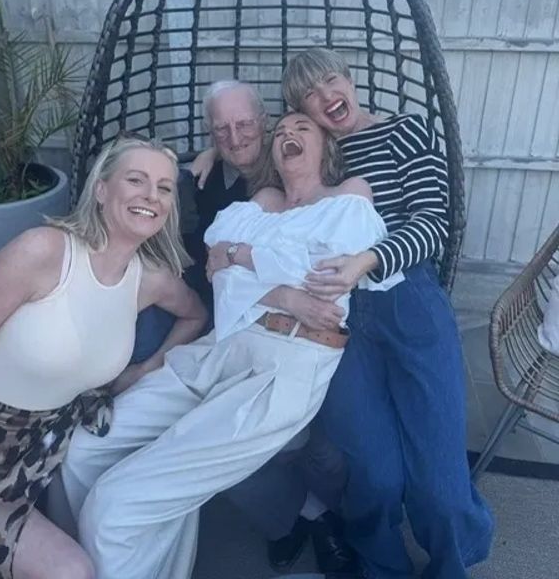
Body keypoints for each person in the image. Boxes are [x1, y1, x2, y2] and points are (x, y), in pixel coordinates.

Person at [61, 111, 404, 579]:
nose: (288, 134)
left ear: (326, 146)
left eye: (302, 129)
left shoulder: (349, 195)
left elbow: (323, 275)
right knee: (84, 450)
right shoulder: (263, 198)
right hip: (223, 343)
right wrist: (280, 291)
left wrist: (242, 258)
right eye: (281, 131)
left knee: (115, 505)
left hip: (289, 362)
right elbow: (217, 272)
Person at [280, 48, 494, 579]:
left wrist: (368, 260)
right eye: (310, 92)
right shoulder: (320, 152)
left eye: (331, 79)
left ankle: (453, 560)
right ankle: (381, 566)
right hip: (340, 317)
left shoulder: (407, 131)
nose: (327, 95)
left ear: (349, 80)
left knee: (440, 487)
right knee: (374, 475)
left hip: (410, 303)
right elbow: (262, 170)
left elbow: (432, 224)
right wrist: (212, 159)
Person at [0, 134, 206, 579]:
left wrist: (145, 369)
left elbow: (195, 315)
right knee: (70, 570)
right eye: (137, 179)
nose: (151, 195)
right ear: (101, 189)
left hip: (49, 446)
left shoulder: (150, 280)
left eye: (164, 187)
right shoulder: (44, 251)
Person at [137, 79, 357, 574]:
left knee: (314, 446)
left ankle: (335, 519)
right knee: (224, 439)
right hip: (227, 320)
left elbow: (303, 269)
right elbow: (213, 260)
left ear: (266, 121)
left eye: (245, 126)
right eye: (221, 130)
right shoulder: (214, 177)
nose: (235, 137)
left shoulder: (292, 179)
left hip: (293, 331)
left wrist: (245, 267)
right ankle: (301, 517)